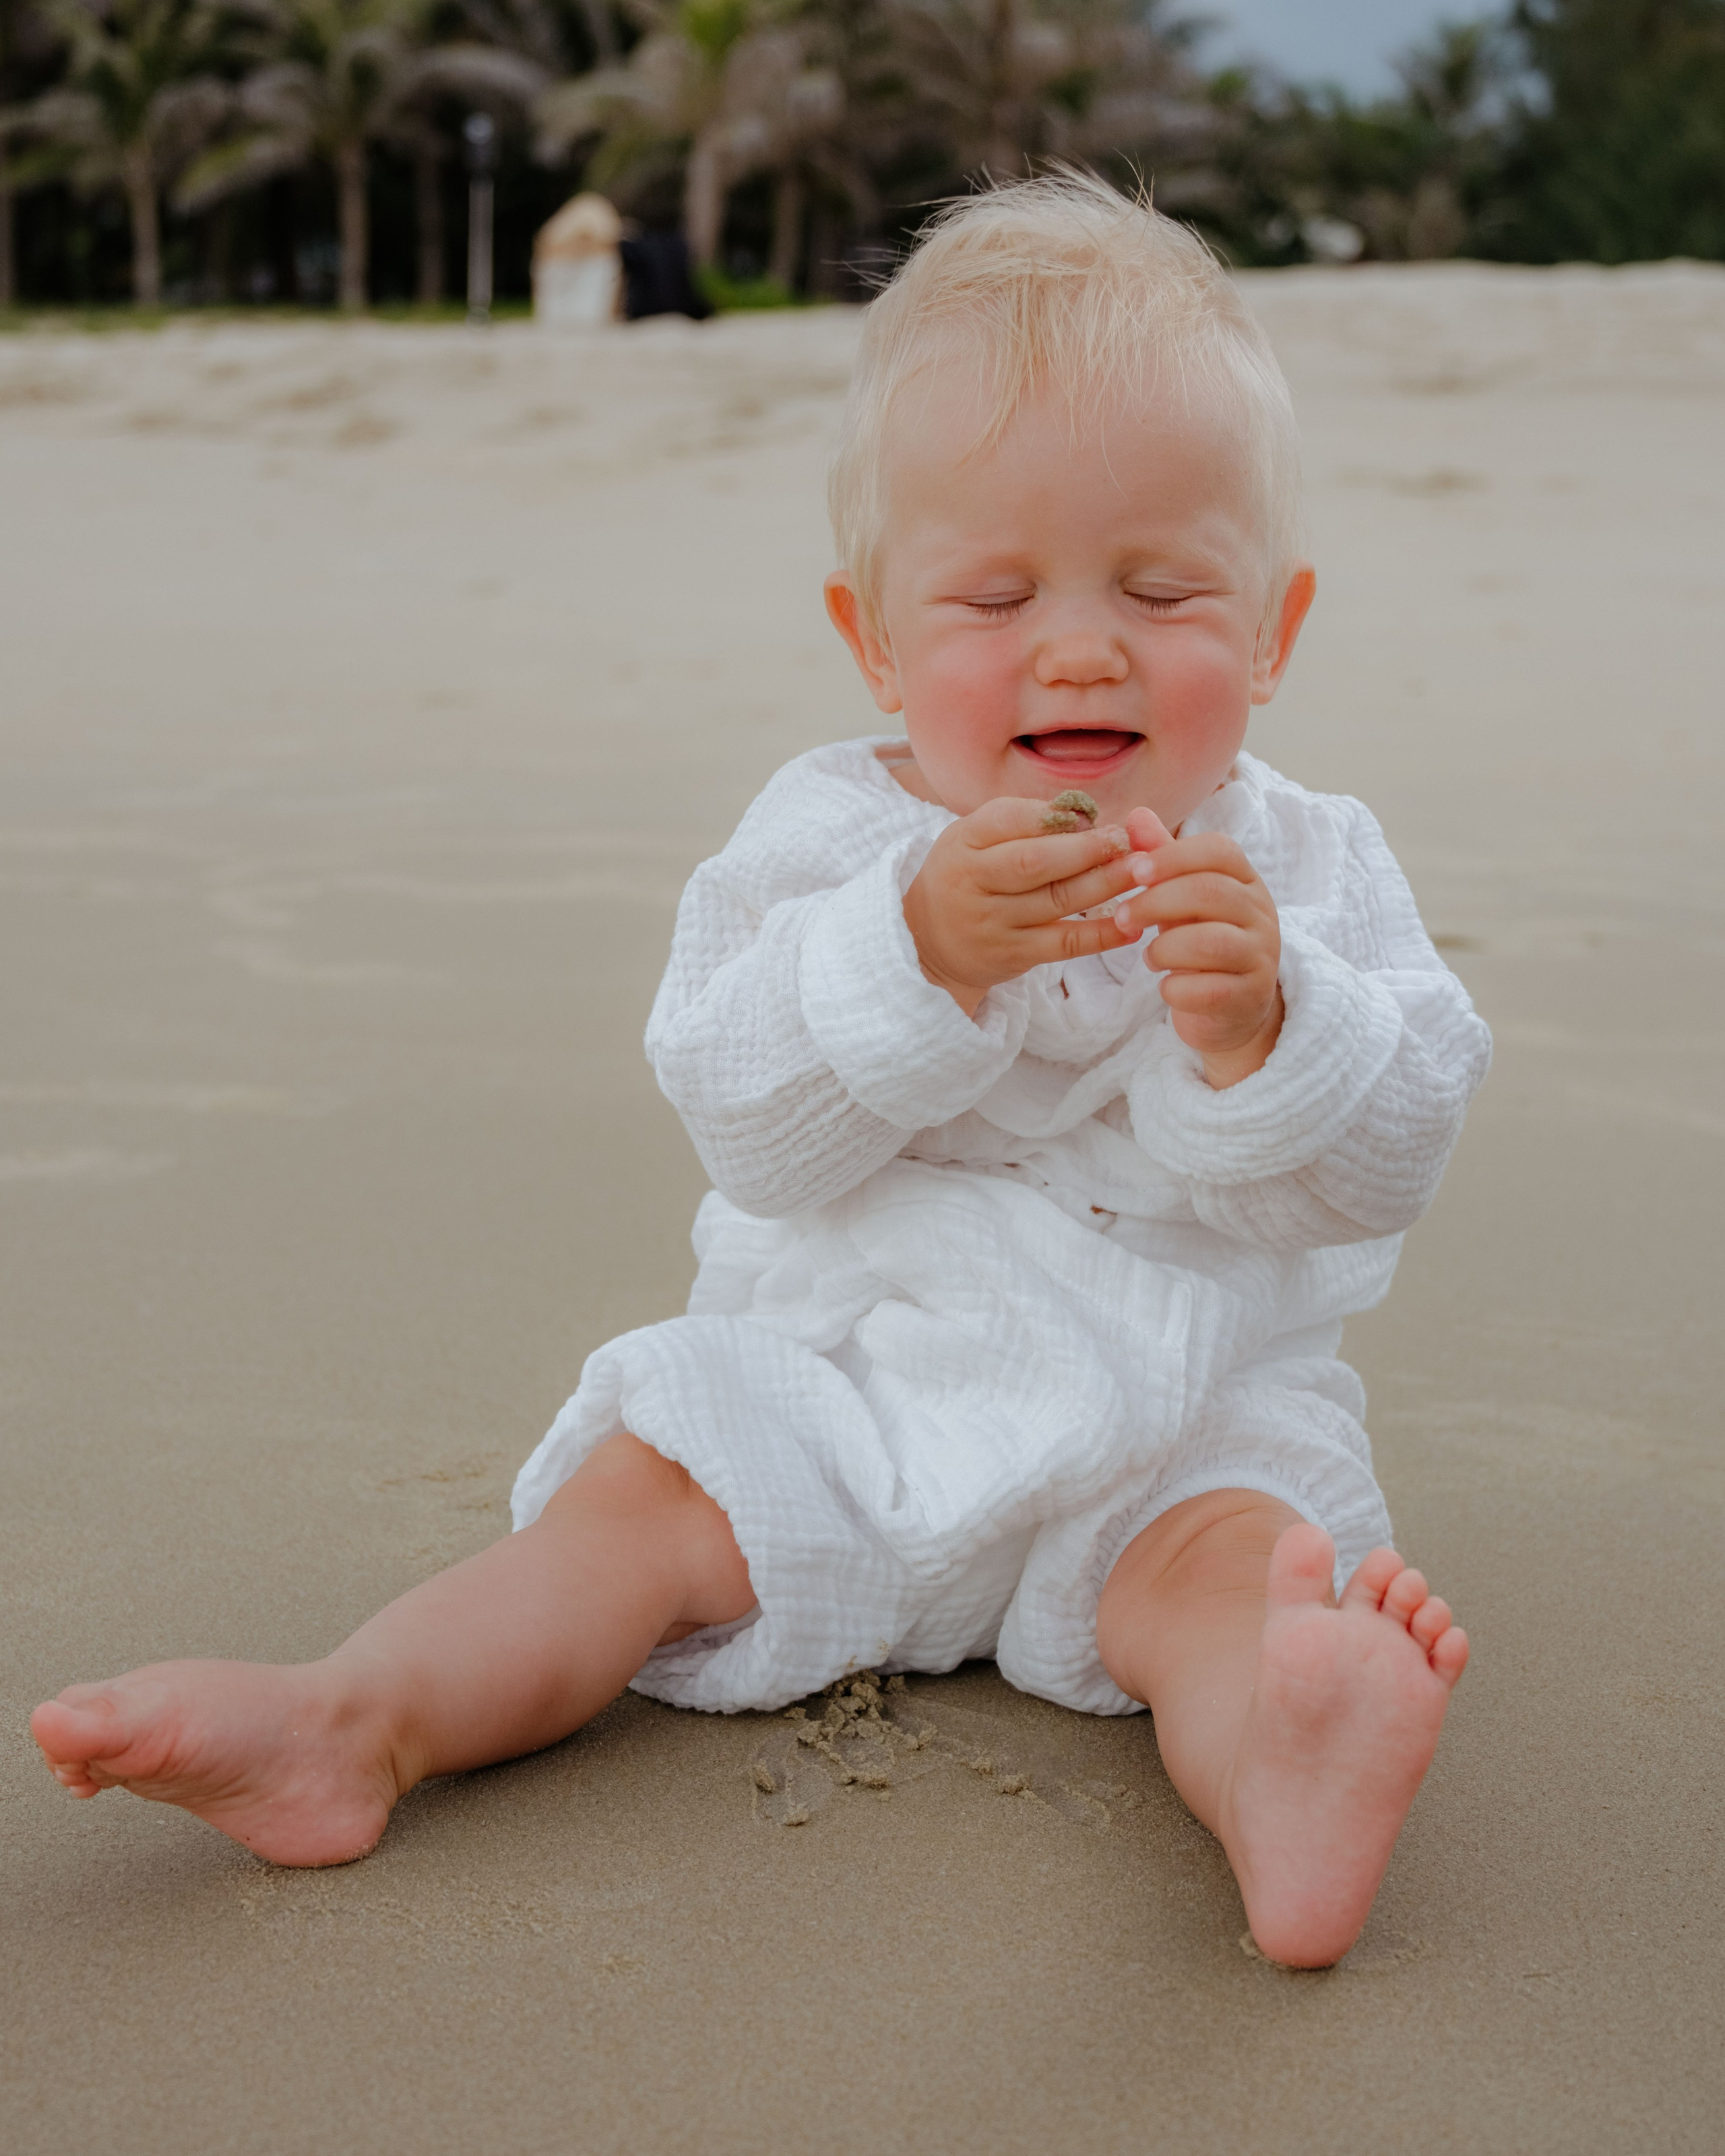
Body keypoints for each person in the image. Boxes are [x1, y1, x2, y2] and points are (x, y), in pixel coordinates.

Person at [32, 174, 1489, 1971]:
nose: (1083, 641)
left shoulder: (1311, 873)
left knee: (1241, 1571)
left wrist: (1275, 1034)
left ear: (1274, 628)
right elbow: (740, 1113)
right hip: (836, 1398)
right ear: (873, 639)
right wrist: (914, 956)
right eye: (996, 593)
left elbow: (1400, 1147)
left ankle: (1284, 1763)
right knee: (632, 1510)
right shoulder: (821, 843)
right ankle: (359, 1718)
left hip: (1170, 1429)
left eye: (1165, 585)